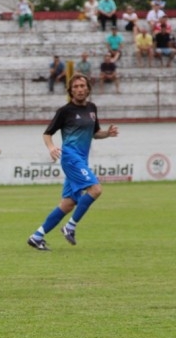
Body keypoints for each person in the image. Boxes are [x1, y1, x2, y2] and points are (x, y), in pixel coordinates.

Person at [27, 73, 118, 251]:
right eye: (75, 87)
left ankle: (37, 236)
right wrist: (51, 147)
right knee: (96, 189)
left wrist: (107, 133)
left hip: (81, 159)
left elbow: (94, 132)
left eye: (82, 86)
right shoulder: (65, 111)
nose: (79, 89)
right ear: (70, 91)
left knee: (68, 203)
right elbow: (47, 133)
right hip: (70, 157)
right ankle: (70, 227)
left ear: (88, 89)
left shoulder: (92, 108)